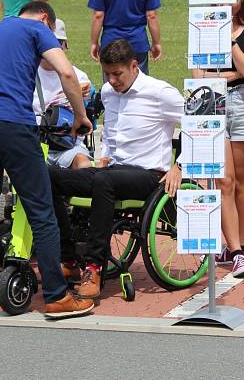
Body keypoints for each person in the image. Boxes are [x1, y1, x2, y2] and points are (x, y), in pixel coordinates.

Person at [0, 0, 94, 318]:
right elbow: (67, 72)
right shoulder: (36, 29)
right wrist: (80, 117)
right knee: (41, 209)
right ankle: (57, 296)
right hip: (14, 124)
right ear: (46, 20)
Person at [49, 39, 184, 299]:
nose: (111, 80)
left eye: (117, 74)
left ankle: (93, 267)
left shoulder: (159, 92)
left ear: (134, 66)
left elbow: (200, 124)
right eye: (107, 74)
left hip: (149, 175)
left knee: (104, 183)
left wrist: (179, 166)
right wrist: (105, 156)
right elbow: (110, 132)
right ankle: (68, 258)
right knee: (50, 176)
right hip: (114, 171)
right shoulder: (109, 93)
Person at [191, 0, 244, 278]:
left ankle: (242, 244)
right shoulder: (201, 30)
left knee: (242, 183)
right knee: (224, 181)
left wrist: (229, 39)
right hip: (212, 103)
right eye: (220, 0)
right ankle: (234, 250)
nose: (227, 4)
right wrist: (231, 74)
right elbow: (199, 77)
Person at [33, 16, 92, 170]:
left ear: (65, 45)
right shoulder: (27, 74)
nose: (52, 48)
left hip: (68, 144)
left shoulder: (78, 76)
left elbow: (85, 94)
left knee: (84, 165)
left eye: (58, 43)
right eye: (47, 42)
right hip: (36, 143)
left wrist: (79, 92)